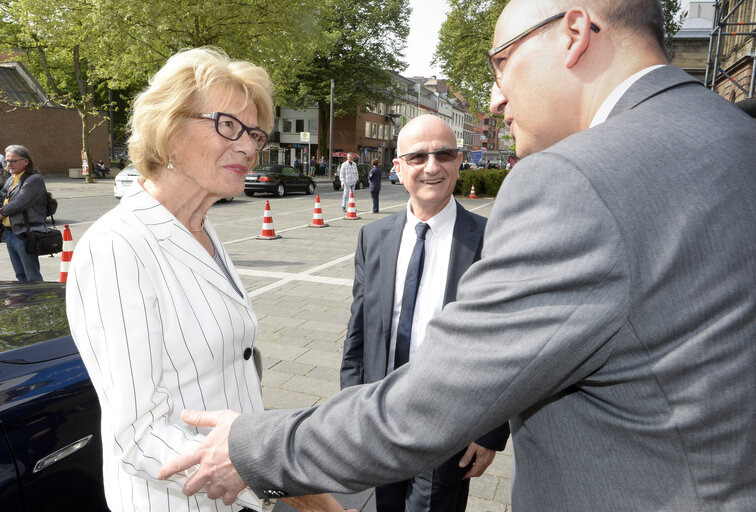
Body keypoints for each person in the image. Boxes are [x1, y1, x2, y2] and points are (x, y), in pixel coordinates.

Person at [159, 1, 756, 510]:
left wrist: (254, 446)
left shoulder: (574, 179)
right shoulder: (740, 139)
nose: (498, 98)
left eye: (501, 65)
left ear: (576, 33)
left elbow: (426, 408)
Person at [65, 47, 346, 512]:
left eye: (254, 131)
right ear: (169, 128)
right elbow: (139, 433)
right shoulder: (120, 246)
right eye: (228, 126)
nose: (250, 146)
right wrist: (295, 491)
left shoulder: (200, 225)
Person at [340, 116, 509, 512]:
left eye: (443, 154)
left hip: (452, 427)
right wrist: (350, 409)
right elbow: (358, 331)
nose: (431, 167)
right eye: (417, 157)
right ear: (398, 168)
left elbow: (507, 346)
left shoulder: (493, 239)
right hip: (381, 418)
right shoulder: (373, 237)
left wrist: (490, 431)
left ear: (459, 160)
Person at [0, 145, 47, 281]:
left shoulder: (34, 179)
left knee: (31, 276)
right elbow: (2, 197)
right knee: (20, 275)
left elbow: (20, 202)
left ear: (26, 161)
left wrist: (2, 214)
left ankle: (37, 301)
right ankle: (26, 301)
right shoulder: (11, 179)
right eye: (7, 161)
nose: (9, 164)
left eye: (13, 161)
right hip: (9, 233)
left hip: (24, 234)